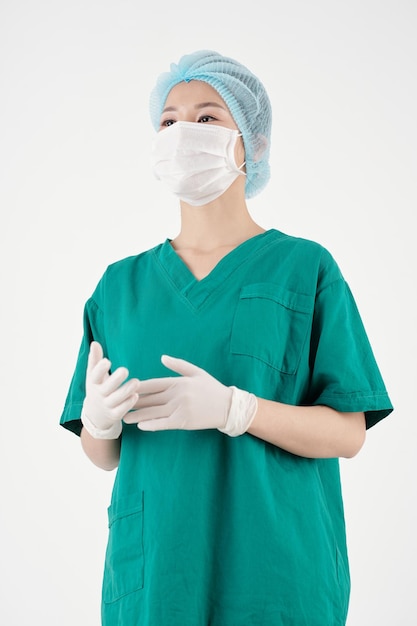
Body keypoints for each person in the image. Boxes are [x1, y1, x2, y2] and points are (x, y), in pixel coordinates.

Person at [60, 50, 393, 626]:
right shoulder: (120, 287)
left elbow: (347, 433)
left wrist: (238, 409)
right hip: (156, 579)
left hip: (277, 577)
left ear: (255, 143)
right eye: (168, 120)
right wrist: (98, 424)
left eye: (207, 117)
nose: (182, 131)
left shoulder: (304, 269)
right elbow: (104, 456)